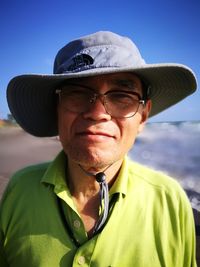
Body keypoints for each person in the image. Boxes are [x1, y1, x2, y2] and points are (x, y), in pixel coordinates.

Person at [0, 31, 197, 267]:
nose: (97, 113)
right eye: (77, 93)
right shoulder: (19, 190)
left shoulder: (170, 200)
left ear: (143, 116)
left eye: (122, 96)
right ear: (57, 109)